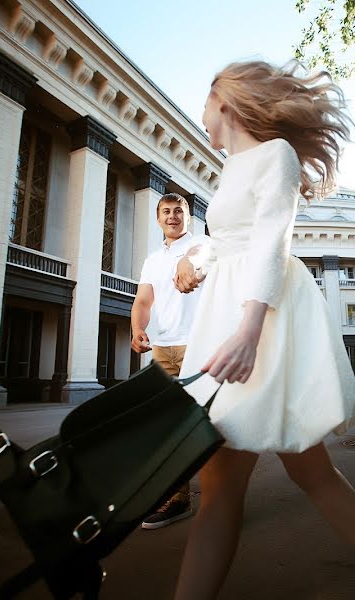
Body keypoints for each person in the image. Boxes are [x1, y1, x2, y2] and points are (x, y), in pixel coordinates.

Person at [172, 61, 355, 600]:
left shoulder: (275, 156)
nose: (201, 116)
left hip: (260, 318)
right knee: (220, 488)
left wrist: (248, 330)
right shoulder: (230, 169)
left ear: (225, 102)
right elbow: (231, 239)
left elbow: (271, 242)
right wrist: (197, 255)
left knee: (310, 472)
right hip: (229, 315)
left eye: (204, 104)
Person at [131, 192, 204, 529]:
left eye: (179, 211)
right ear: (158, 217)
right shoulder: (152, 259)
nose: (173, 216)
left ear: (188, 217)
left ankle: (223, 495)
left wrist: (189, 259)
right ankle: (176, 498)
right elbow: (143, 301)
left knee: (203, 423)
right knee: (166, 425)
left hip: (198, 345)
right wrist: (136, 329)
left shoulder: (202, 244)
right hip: (163, 348)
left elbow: (199, 254)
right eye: (166, 211)